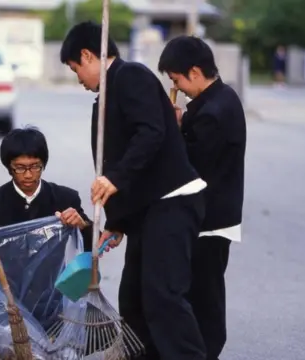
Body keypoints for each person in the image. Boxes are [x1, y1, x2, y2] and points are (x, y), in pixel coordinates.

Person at [60, 21, 208, 360]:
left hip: (173, 202)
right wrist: (118, 222)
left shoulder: (132, 77)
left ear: (88, 55)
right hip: (147, 211)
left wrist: (115, 179)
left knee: (163, 297)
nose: (78, 80)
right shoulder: (107, 94)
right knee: (134, 298)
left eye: (75, 69)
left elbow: (150, 134)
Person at [0, 126, 93, 360]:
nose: (28, 175)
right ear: (8, 167)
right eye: (20, 168)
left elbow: (88, 250)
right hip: (9, 292)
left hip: (52, 289)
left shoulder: (64, 198)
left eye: (34, 167)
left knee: (93, 320)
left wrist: (81, 224)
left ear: (43, 164)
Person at [158, 36, 246, 360]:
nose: (176, 87)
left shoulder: (214, 111)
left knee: (205, 298)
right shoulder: (220, 99)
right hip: (212, 217)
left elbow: (190, 167)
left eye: (176, 79)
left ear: (194, 71)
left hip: (210, 219)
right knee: (202, 294)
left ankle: (207, 354)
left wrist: (173, 127)